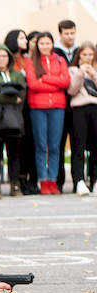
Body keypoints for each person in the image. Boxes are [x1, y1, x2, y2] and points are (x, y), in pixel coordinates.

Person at [26, 32, 70, 194]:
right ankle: (43, 180)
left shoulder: (60, 60)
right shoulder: (31, 61)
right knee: (40, 145)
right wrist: (54, 83)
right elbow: (33, 84)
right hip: (38, 107)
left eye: (48, 43)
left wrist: (45, 78)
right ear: (37, 45)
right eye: (42, 43)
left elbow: (65, 82)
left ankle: (53, 179)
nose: (45, 46)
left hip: (57, 106)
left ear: (52, 44)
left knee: (54, 145)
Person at [0, 45, 27, 197]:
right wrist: (12, 98)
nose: (1, 59)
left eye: (4, 56)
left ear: (9, 58)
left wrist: (11, 97)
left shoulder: (16, 74)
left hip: (14, 118)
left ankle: (15, 184)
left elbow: (22, 92)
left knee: (14, 153)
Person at [5, 29, 39, 195]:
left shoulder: (29, 60)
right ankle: (19, 179)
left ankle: (32, 180)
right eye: (21, 38)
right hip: (15, 105)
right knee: (18, 143)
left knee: (31, 142)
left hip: (31, 104)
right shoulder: (7, 60)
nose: (25, 40)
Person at [67, 42, 97, 196]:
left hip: (95, 108)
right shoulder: (72, 70)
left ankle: (95, 180)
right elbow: (72, 89)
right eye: (84, 54)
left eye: (90, 54)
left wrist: (93, 75)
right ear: (79, 55)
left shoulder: (95, 70)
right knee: (79, 145)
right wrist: (80, 73)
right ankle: (79, 180)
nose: (87, 58)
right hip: (79, 109)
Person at [53, 20, 79, 193]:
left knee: (78, 144)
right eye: (66, 33)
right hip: (59, 104)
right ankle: (58, 181)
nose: (70, 36)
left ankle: (79, 181)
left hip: (77, 105)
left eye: (72, 33)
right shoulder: (55, 52)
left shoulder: (81, 51)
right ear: (60, 34)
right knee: (58, 144)